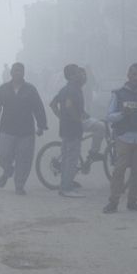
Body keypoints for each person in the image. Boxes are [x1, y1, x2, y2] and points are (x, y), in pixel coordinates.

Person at [103, 63, 137, 213]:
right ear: (128, 75)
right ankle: (113, 202)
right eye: (133, 74)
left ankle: (132, 201)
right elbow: (109, 116)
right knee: (119, 171)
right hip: (124, 137)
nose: (136, 78)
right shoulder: (118, 94)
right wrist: (122, 114)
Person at [0, 63, 48, 195]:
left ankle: (19, 185)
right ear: (11, 73)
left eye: (20, 71)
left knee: (24, 159)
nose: (18, 73)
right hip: (7, 129)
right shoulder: (3, 89)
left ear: (24, 73)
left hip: (26, 130)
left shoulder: (31, 90)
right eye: (15, 71)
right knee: (4, 156)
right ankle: (8, 170)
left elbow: (38, 107)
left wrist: (41, 125)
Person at [50, 64, 88, 198]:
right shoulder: (73, 90)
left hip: (65, 128)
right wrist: (77, 119)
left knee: (66, 158)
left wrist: (62, 117)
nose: (82, 74)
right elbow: (69, 106)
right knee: (71, 159)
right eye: (78, 72)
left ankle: (65, 185)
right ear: (72, 75)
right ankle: (66, 188)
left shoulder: (64, 89)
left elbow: (53, 104)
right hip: (73, 129)